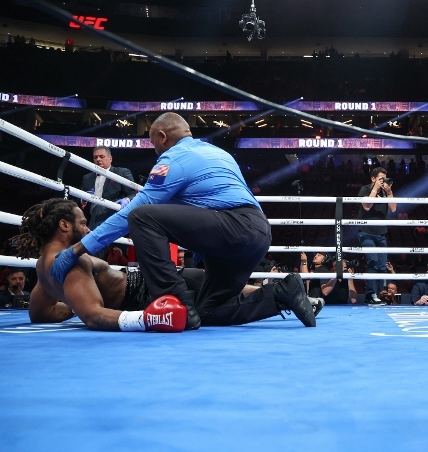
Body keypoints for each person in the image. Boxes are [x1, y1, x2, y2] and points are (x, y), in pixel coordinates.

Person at [50, 113, 315, 329]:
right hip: (256, 233)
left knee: (141, 216)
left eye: (154, 143)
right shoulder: (218, 153)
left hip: (235, 228)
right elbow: (209, 200)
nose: (155, 150)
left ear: (163, 136)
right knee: (208, 311)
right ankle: (282, 292)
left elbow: (139, 210)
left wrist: (78, 248)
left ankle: (176, 301)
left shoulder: (174, 157)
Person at [16, 198, 313, 331]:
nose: (88, 230)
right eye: (83, 223)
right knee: (216, 302)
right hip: (152, 288)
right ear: (64, 225)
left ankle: (283, 294)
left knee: (210, 311)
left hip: (153, 286)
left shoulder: (48, 266)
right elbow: (66, 315)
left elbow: (66, 314)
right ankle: (286, 294)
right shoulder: (64, 265)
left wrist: (145, 319)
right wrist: (77, 304)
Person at [356, 167, 396, 305]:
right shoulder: (365, 189)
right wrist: (375, 189)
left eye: (384, 179)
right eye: (380, 179)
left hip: (381, 233)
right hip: (366, 232)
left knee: (382, 266)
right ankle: (370, 295)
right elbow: (366, 206)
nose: (383, 182)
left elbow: (393, 209)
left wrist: (389, 192)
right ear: (373, 178)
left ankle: (378, 295)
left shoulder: (385, 192)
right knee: (372, 263)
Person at [81, 146, 136, 230]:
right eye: (95, 157)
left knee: (99, 207)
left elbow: (133, 193)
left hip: (113, 215)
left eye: (101, 156)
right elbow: (78, 199)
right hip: (91, 218)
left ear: (110, 158)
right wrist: (83, 199)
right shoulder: (87, 178)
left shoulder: (121, 172)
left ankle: (92, 236)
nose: (98, 159)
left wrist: (127, 200)